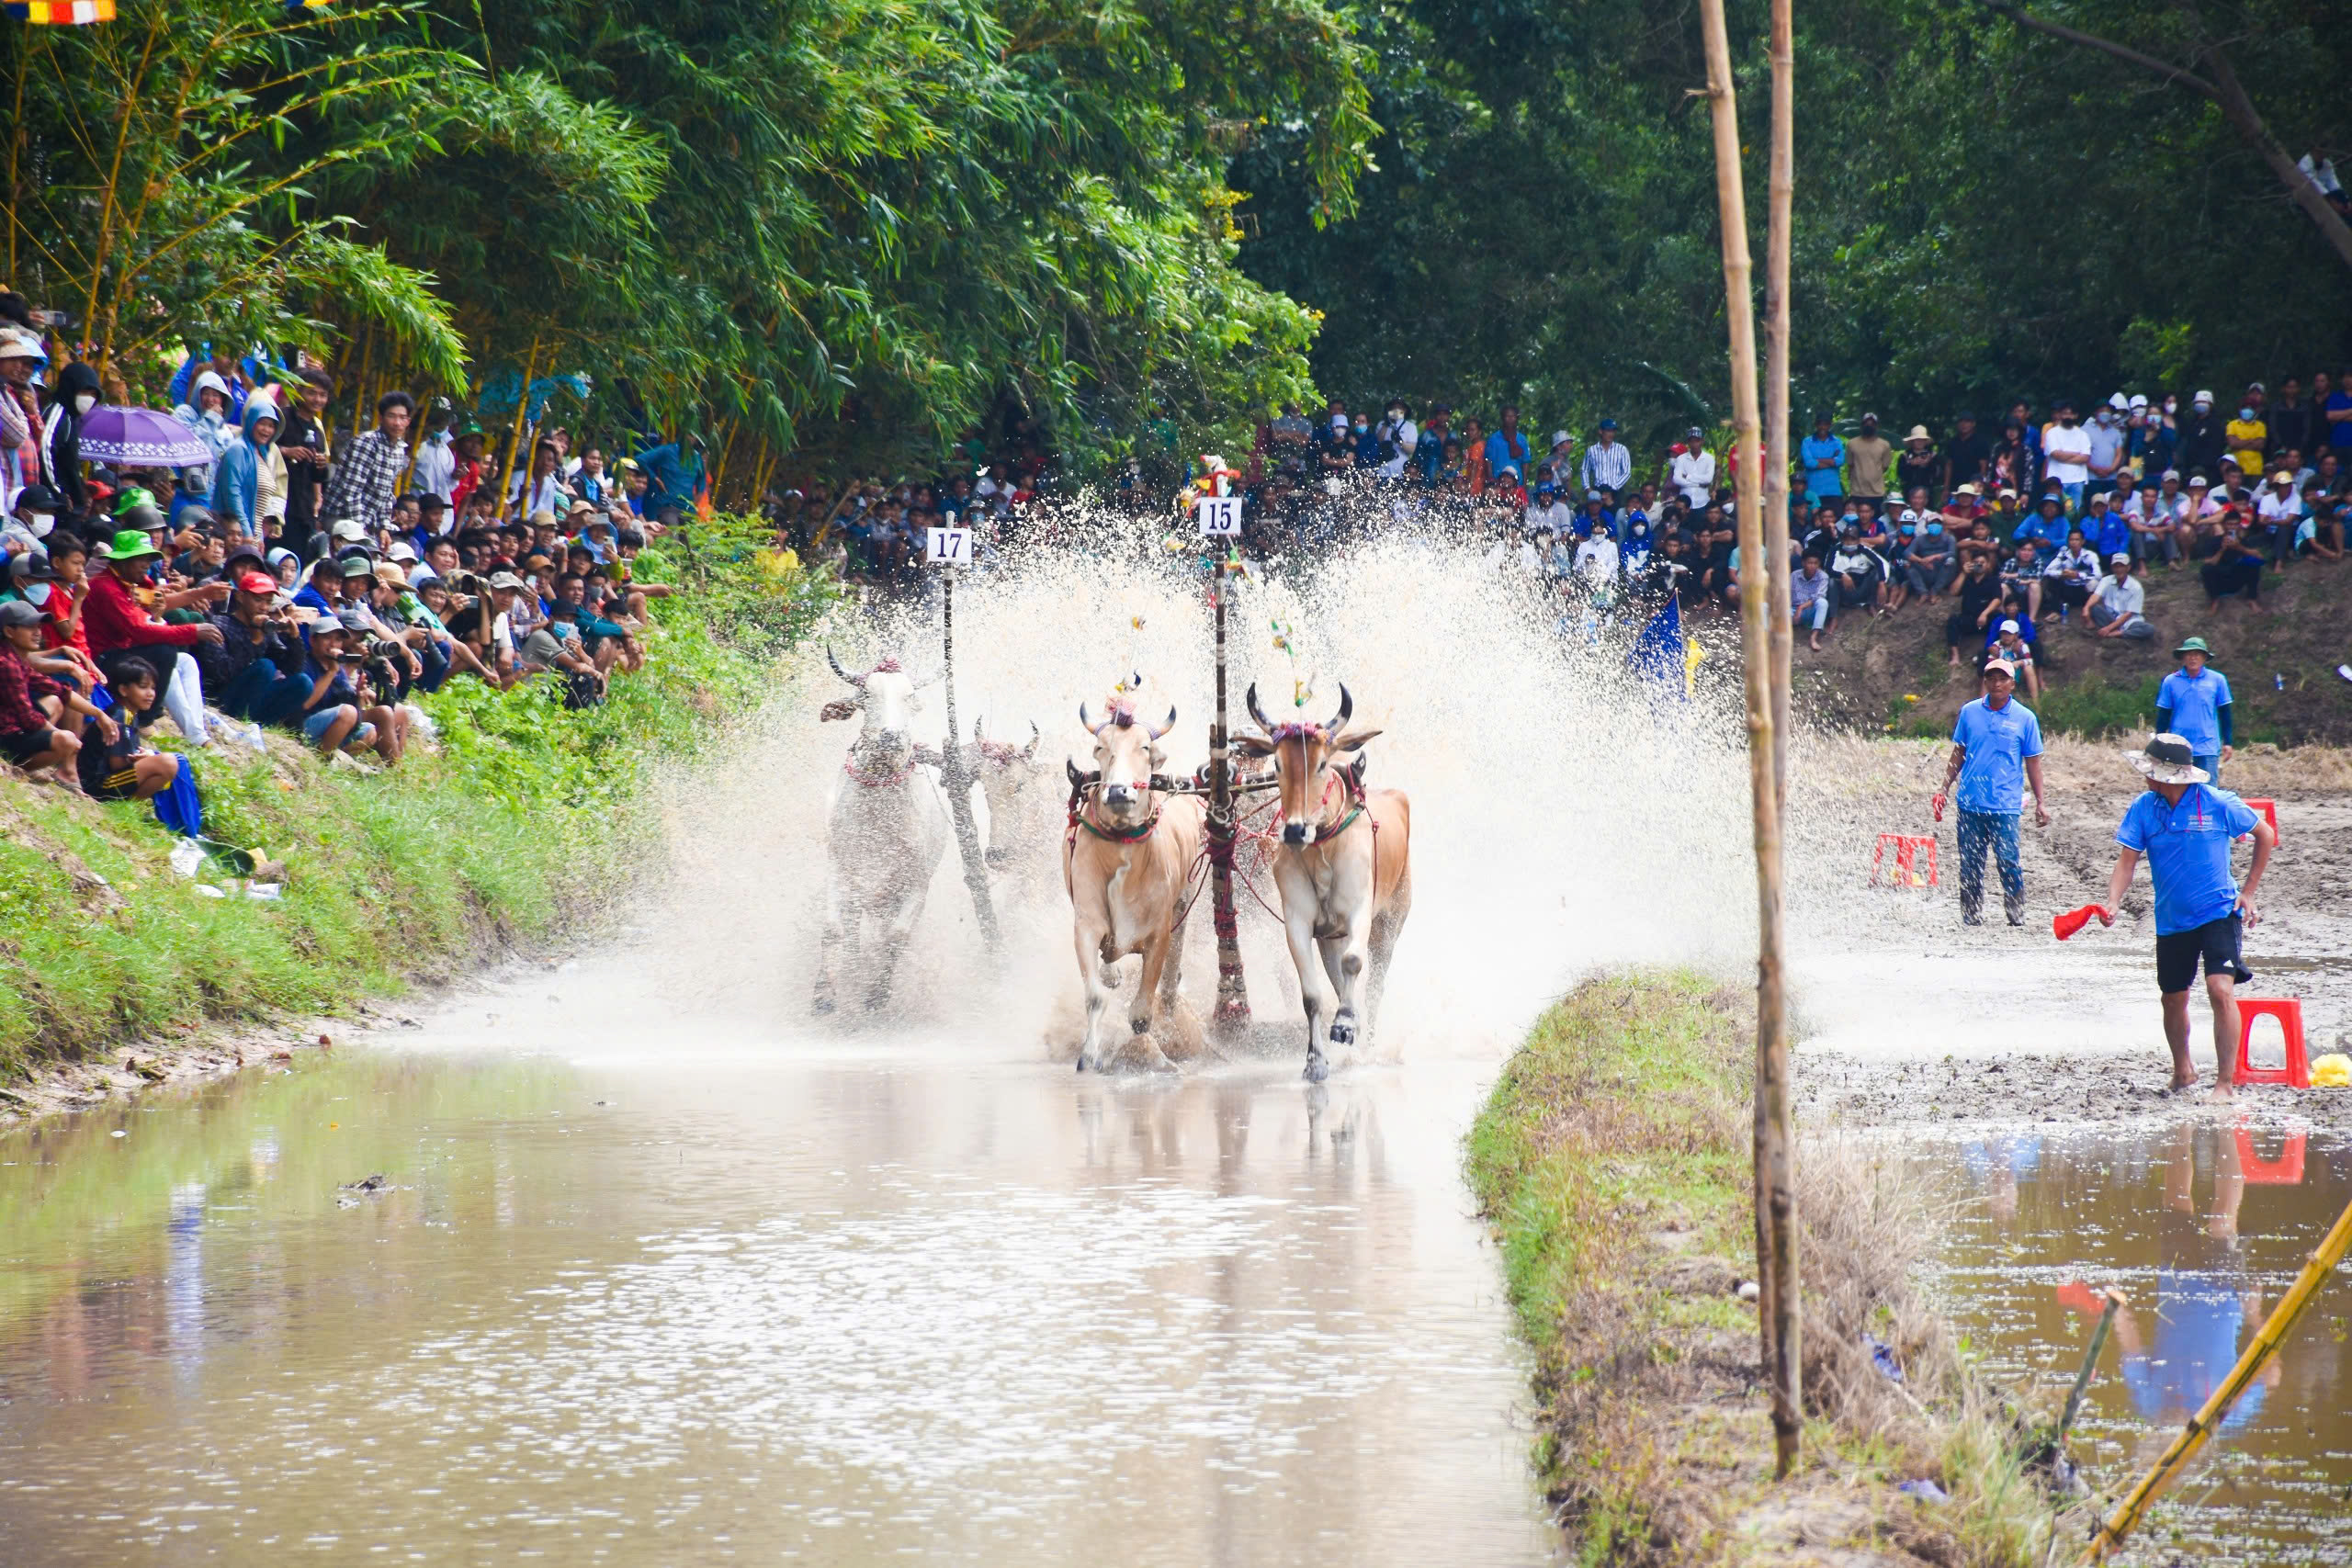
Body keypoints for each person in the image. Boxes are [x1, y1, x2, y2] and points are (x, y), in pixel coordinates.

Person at [2098, 735, 2273, 1100]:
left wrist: (2249, 891)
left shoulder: (2218, 803)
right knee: (2173, 997)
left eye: (2151, 770)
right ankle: (2183, 1069)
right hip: (2172, 919)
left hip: (2219, 912)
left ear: (2170, 775)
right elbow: (2126, 861)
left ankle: (2224, 1083)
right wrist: (2113, 901)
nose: (2145, 776)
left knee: (2219, 988)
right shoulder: (2144, 808)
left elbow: (2265, 834)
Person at [1933, 657, 2047, 926]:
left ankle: (2016, 914)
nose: (1996, 684)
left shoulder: (2025, 718)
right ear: (1985, 681)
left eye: (2002, 679)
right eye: (1991, 678)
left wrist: (2041, 802)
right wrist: (1943, 787)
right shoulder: (1970, 712)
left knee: (2008, 860)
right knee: (1970, 863)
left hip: (2005, 805)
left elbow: (2033, 762)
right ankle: (1971, 915)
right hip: (1970, 803)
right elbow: (1959, 752)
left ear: (2012, 683)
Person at [0, 598, 102, 783]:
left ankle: (26, 762)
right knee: (67, 741)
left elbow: (59, 691)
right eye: (30, 627)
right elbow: (28, 719)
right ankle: (19, 766)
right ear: (9, 631)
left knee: (55, 701)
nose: (38, 633)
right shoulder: (6, 664)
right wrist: (62, 735)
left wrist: (99, 714)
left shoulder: (16, 659)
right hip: (6, 733)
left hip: (13, 727)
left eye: (39, 627)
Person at [321, 391, 413, 535]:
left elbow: (386, 494)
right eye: (391, 416)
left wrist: (384, 528)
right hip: (340, 517)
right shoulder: (367, 442)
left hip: (367, 523)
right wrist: (360, 530)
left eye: (402, 418)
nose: (397, 423)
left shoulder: (399, 450)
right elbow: (351, 491)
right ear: (380, 418)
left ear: (408, 421)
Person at [2155, 637, 2233, 784]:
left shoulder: (2217, 680)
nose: (2193, 658)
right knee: (2179, 791)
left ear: (2204, 657)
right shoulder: (2171, 681)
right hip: (2179, 746)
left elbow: (2225, 713)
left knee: (2208, 792)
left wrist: (2228, 742)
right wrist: (2159, 742)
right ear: (2183, 657)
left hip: (2207, 746)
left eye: (2197, 654)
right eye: (2189, 654)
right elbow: (2164, 714)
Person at [2088, 553, 2154, 640]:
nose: (2119, 569)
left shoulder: (2135, 587)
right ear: (2112, 568)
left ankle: (2118, 634)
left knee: (2149, 629)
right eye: (2116, 566)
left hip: (2130, 622)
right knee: (2094, 608)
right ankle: (2114, 632)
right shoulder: (2106, 580)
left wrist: (2108, 628)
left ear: (2128, 568)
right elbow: (2096, 596)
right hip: (2111, 618)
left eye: (2122, 566)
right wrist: (2086, 610)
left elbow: (2128, 614)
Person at [1844, 412, 1893, 506]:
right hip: (1857, 492)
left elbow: (1884, 467)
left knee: (1876, 520)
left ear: (1876, 426)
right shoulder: (1851, 444)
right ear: (1861, 426)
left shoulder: (1885, 445)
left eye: (1872, 424)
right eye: (1866, 423)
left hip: (1877, 492)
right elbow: (1850, 465)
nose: (1869, 426)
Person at [1799, 414, 1843, 502]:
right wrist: (1831, 460)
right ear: (1816, 425)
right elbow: (1809, 463)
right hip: (1813, 492)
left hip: (1833, 491)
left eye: (1826, 424)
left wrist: (1816, 459)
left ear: (1830, 425)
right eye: (1820, 424)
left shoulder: (1837, 442)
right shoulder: (1807, 442)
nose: (1822, 427)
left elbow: (1839, 461)